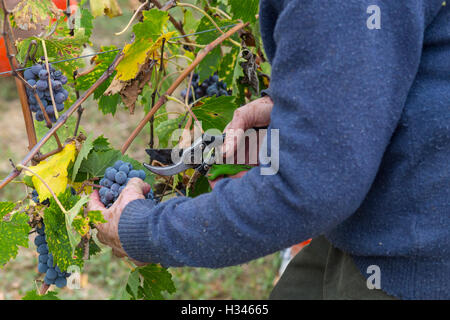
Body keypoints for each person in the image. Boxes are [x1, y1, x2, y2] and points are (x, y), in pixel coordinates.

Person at [87, 0, 450, 300]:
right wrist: (308, 107)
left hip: (413, 268)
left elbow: (307, 190)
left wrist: (144, 231)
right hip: (375, 221)